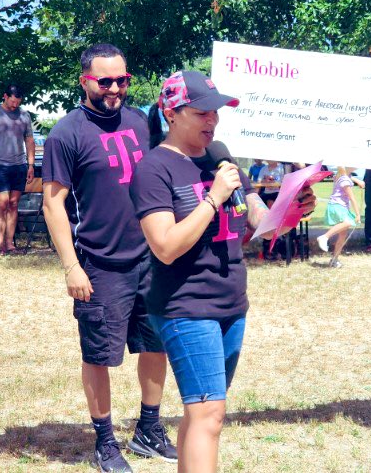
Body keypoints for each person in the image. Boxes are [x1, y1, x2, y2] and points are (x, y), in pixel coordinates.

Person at [131, 70, 315, 473]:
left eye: (216, 113)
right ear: (171, 113)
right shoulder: (153, 169)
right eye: (202, 113)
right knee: (209, 414)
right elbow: (164, 247)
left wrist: (292, 208)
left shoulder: (222, 155)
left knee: (202, 413)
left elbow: (257, 224)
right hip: (185, 305)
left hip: (232, 302)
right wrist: (213, 198)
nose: (212, 121)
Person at [42, 44, 175, 473]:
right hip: (100, 265)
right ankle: (104, 441)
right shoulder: (66, 133)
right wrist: (71, 266)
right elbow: (52, 204)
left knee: (156, 344)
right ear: (85, 81)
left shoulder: (139, 121)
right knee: (99, 354)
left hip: (151, 259)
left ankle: (148, 430)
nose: (115, 88)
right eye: (105, 81)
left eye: (122, 80)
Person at [0, 84, 35, 255]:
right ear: (5, 96)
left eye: (18, 102)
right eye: (12, 101)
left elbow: (30, 141)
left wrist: (31, 165)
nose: (14, 105)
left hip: (19, 165)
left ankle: (10, 243)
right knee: (1, 204)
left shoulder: (24, 115)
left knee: (13, 204)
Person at [316, 166, 360, 267]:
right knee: (348, 223)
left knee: (343, 234)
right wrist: (357, 214)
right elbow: (352, 198)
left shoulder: (343, 176)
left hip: (338, 206)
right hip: (338, 206)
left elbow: (349, 177)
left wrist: (357, 180)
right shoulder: (344, 179)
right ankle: (324, 237)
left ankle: (334, 259)